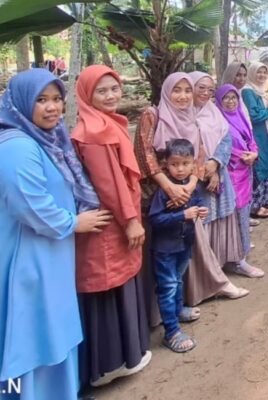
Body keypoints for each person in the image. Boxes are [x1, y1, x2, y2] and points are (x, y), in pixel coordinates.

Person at [0, 68, 110, 399]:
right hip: (29, 259)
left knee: (52, 329)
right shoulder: (17, 145)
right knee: (34, 335)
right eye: (41, 100)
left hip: (50, 254)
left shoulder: (46, 139)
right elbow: (30, 205)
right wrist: (73, 223)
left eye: (57, 99)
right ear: (21, 103)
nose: (52, 107)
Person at [134, 72, 248, 322]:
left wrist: (191, 184)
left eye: (188, 90)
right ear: (166, 91)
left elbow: (199, 155)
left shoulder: (191, 119)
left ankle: (178, 308)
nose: (183, 96)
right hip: (160, 199)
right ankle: (162, 319)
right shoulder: (153, 116)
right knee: (162, 256)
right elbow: (144, 155)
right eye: (177, 90)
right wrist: (169, 187)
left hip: (186, 194)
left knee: (182, 254)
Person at [71, 65, 151, 387]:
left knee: (118, 282)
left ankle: (125, 357)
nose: (110, 96)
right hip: (110, 224)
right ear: (86, 95)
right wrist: (130, 221)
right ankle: (109, 365)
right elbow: (110, 184)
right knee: (106, 286)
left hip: (116, 220)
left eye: (114, 88)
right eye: (101, 91)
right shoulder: (94, 132)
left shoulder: (105, 123)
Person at [149, 139, 207, 353]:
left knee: (178, 280)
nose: (180, 169)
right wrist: (182, 215)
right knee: (168, 287)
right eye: (175, 164)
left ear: (193, 165)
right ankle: (171, 332)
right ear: (166, 165)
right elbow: (155, 219)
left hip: (184, 243)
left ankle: (179, 309)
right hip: (165, 248)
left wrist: (201, 210)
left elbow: (198, 203)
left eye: (185, 164)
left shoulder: (192, 186)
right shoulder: (164, 191)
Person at [189, 71, 249, 273]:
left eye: (210, 90)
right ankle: (205, 273)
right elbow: (188, 146)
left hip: (219, 174)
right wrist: (207, 168)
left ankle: (225, 264)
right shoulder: (184, 114)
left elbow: (225, 138)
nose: (206, 93)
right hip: (196, 180)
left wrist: (215, 163)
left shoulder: (213, 112)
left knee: (223, 219)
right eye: (201, 88)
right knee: (202, 221)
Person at [215, 84, 265, 278]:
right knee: (234, 215)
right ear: (219, 101)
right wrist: (243, 156)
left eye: (233, 97)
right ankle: (237, 261)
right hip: (231, 175)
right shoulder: (218, 121)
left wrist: (254, 153)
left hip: (246, 172)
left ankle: (241, 252)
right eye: (226, 98)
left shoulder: (241, 116)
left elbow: (250, 139)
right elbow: (222, 147)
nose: (230, 102)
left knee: (243, 214)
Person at [243, 62, 268, 219]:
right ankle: (255, 206)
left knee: (266, 166)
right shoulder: (248, 91)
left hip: (265, 135)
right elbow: (254, 116)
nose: (262, 75)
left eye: (264, 72)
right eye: (258, 72)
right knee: (259, 167)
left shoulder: (259, 91)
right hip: (257, 135)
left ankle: (264, 201)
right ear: (252, 73)